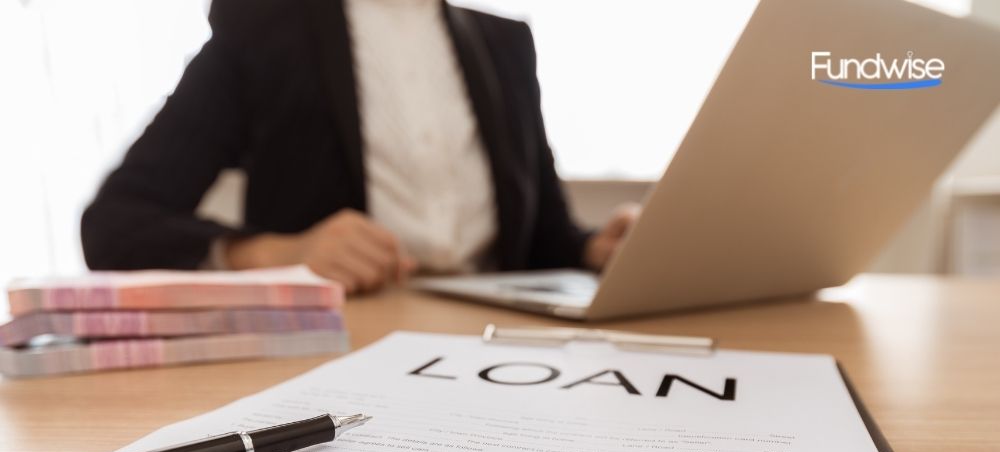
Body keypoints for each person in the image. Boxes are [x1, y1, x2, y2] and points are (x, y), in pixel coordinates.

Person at [81, 0, 638, 294]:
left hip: (498, 347)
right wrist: (278, 254)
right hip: (346, 342)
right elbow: (116, 223)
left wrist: (596, 248)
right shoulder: (263, 26)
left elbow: (543, 236)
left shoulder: (506, 45)